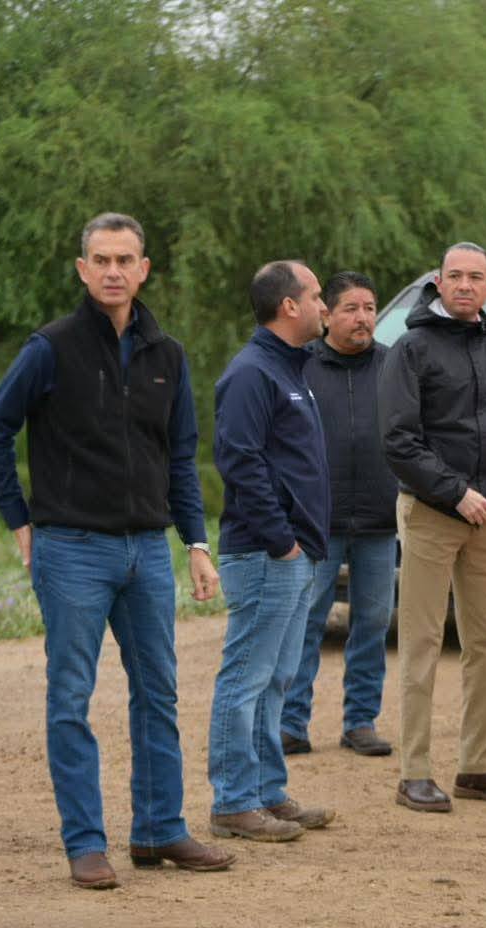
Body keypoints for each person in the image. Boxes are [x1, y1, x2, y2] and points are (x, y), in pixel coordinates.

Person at [0, 212, 234, 889]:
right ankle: (85, 843)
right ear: (83, 270)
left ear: (145, 268)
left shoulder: (167, 354)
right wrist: (20, 521)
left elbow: (180, 456)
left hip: (148, 551)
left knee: (159, 694)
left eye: (126, 259)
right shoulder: (50, 348)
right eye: (101, 259)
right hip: (72, 550)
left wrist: (196, 543)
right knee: (72, 697)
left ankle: (160, 831)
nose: (114, 270)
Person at [379, 241, 486, 813]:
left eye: (476, 277)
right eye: (455, 276)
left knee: (485, 642)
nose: (466, 285)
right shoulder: (411, 348)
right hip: (431, 514)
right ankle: (414, 772)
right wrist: (455, 492)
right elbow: (399, 440)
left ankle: (478, 766)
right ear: (439, 282)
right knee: (421, 643)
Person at [208, 260, 336, 842]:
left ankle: (266, 792)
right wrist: (281, 540)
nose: (323, 306)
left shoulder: (292, 369)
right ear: (289, 306)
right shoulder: (251, 373)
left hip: (294, 552)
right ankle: (234, 801)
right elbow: (240, 460)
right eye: (315, 296)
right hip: (266, 554)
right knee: (246, 678)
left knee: (277, 678)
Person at [280, 272, 398, 759]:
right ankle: (291, 723)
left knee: (372, 622)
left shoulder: (394, 366)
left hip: (378, 520)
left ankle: (360, 722)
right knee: (305, 623)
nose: (363, 317)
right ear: (327, 314)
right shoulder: (301, 367)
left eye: (370, 307)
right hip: (316, 522)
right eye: (351, 308)